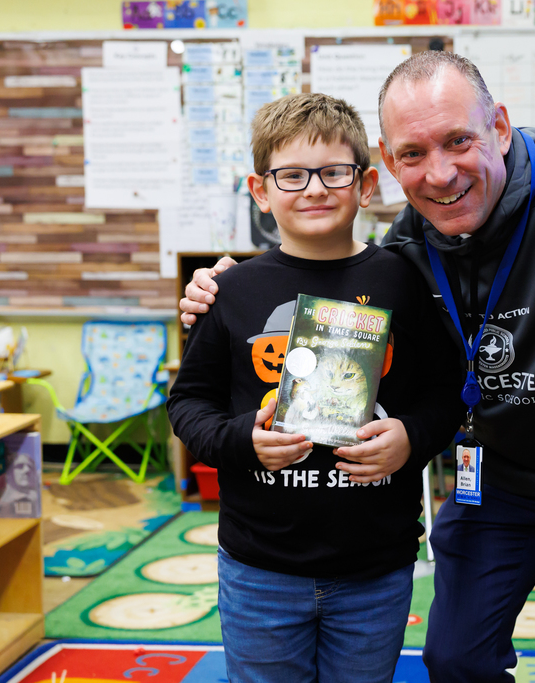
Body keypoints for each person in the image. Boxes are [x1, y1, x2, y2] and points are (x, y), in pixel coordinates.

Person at [179, 52, 535, 683]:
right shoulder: (409, 247)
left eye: (458, 141)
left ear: (498, 126)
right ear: (388, 164)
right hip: (497, 475)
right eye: (413, 154)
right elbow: (326, 282)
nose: (440, 174)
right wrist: (224, 287)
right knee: (454, 659)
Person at [167, 92, 462, 683]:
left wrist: (411, 438)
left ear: (367, 184)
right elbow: (187, 403)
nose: (314, 189)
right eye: (292, 175)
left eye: (334, 172)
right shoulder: (231, 291)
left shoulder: (406, 281)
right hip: (260, 568)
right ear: (261, 191)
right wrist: (239, 440)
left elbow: (448, 392)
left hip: (375, 566)